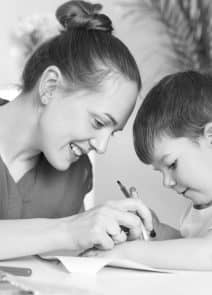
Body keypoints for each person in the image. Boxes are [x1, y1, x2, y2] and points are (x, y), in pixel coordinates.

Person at [0, 0, 153, 263]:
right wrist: (68, 229)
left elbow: (65, 264)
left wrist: (105, 243)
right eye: (98, 123)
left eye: (113, 132)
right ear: (50, 86)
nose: (102, 146)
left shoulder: (77, 172)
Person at [84, 70, 212, 270]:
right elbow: (188, 246)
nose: (167, 182)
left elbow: (205, 254)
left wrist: (126, 253)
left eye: (171, 164)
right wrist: (156, 232)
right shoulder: (201, 208)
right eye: (160, 171)